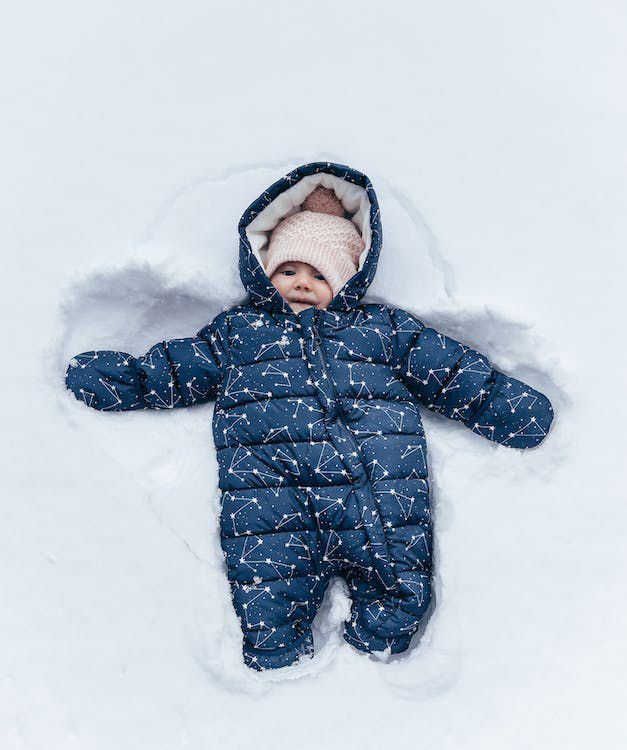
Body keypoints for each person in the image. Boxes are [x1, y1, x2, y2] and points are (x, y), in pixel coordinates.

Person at [65, 162, 554, 671]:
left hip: (376, 492)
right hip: (272, 500)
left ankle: (379, 653)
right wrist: (125, 380)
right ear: (263, 271)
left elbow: (448, 372)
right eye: (288, 270)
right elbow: (176, 369)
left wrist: (505, 407)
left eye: (319, 273)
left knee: (398, 582)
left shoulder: (381, 330)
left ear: (346, 279)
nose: (301, 283)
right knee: (269, 592)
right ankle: (277, 663)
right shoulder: (240, 334)